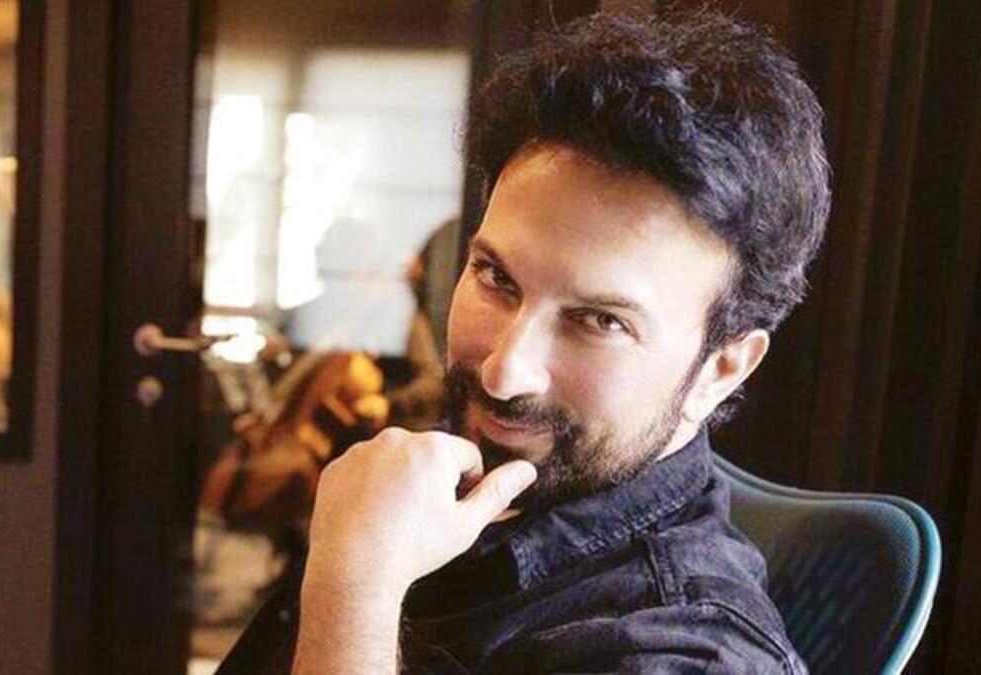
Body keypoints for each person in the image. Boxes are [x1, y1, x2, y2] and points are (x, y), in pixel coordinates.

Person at [218, 10, 830, 674]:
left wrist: (354, 593)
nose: (504, 371)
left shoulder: (682, 654)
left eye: (599, 321)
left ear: (722, 368)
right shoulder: (446, 491)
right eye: (496, 277)